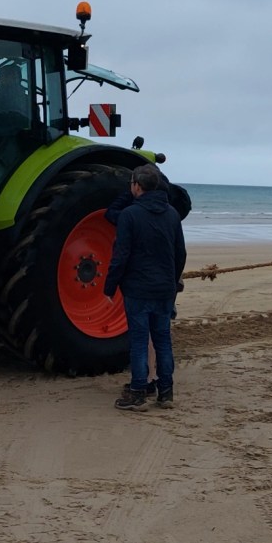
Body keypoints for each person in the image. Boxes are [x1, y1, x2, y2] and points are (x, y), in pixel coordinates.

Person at [103, 165, 186, 412]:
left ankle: (138, 392)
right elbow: (179, 253)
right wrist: (172, 281)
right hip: (164, 289)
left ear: (137, 187)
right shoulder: (171, 214)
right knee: (162, 340)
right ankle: (166, 393)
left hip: (138, 289)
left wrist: (109, 287)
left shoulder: (129, 215)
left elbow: (121, 255)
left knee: (139, 341)